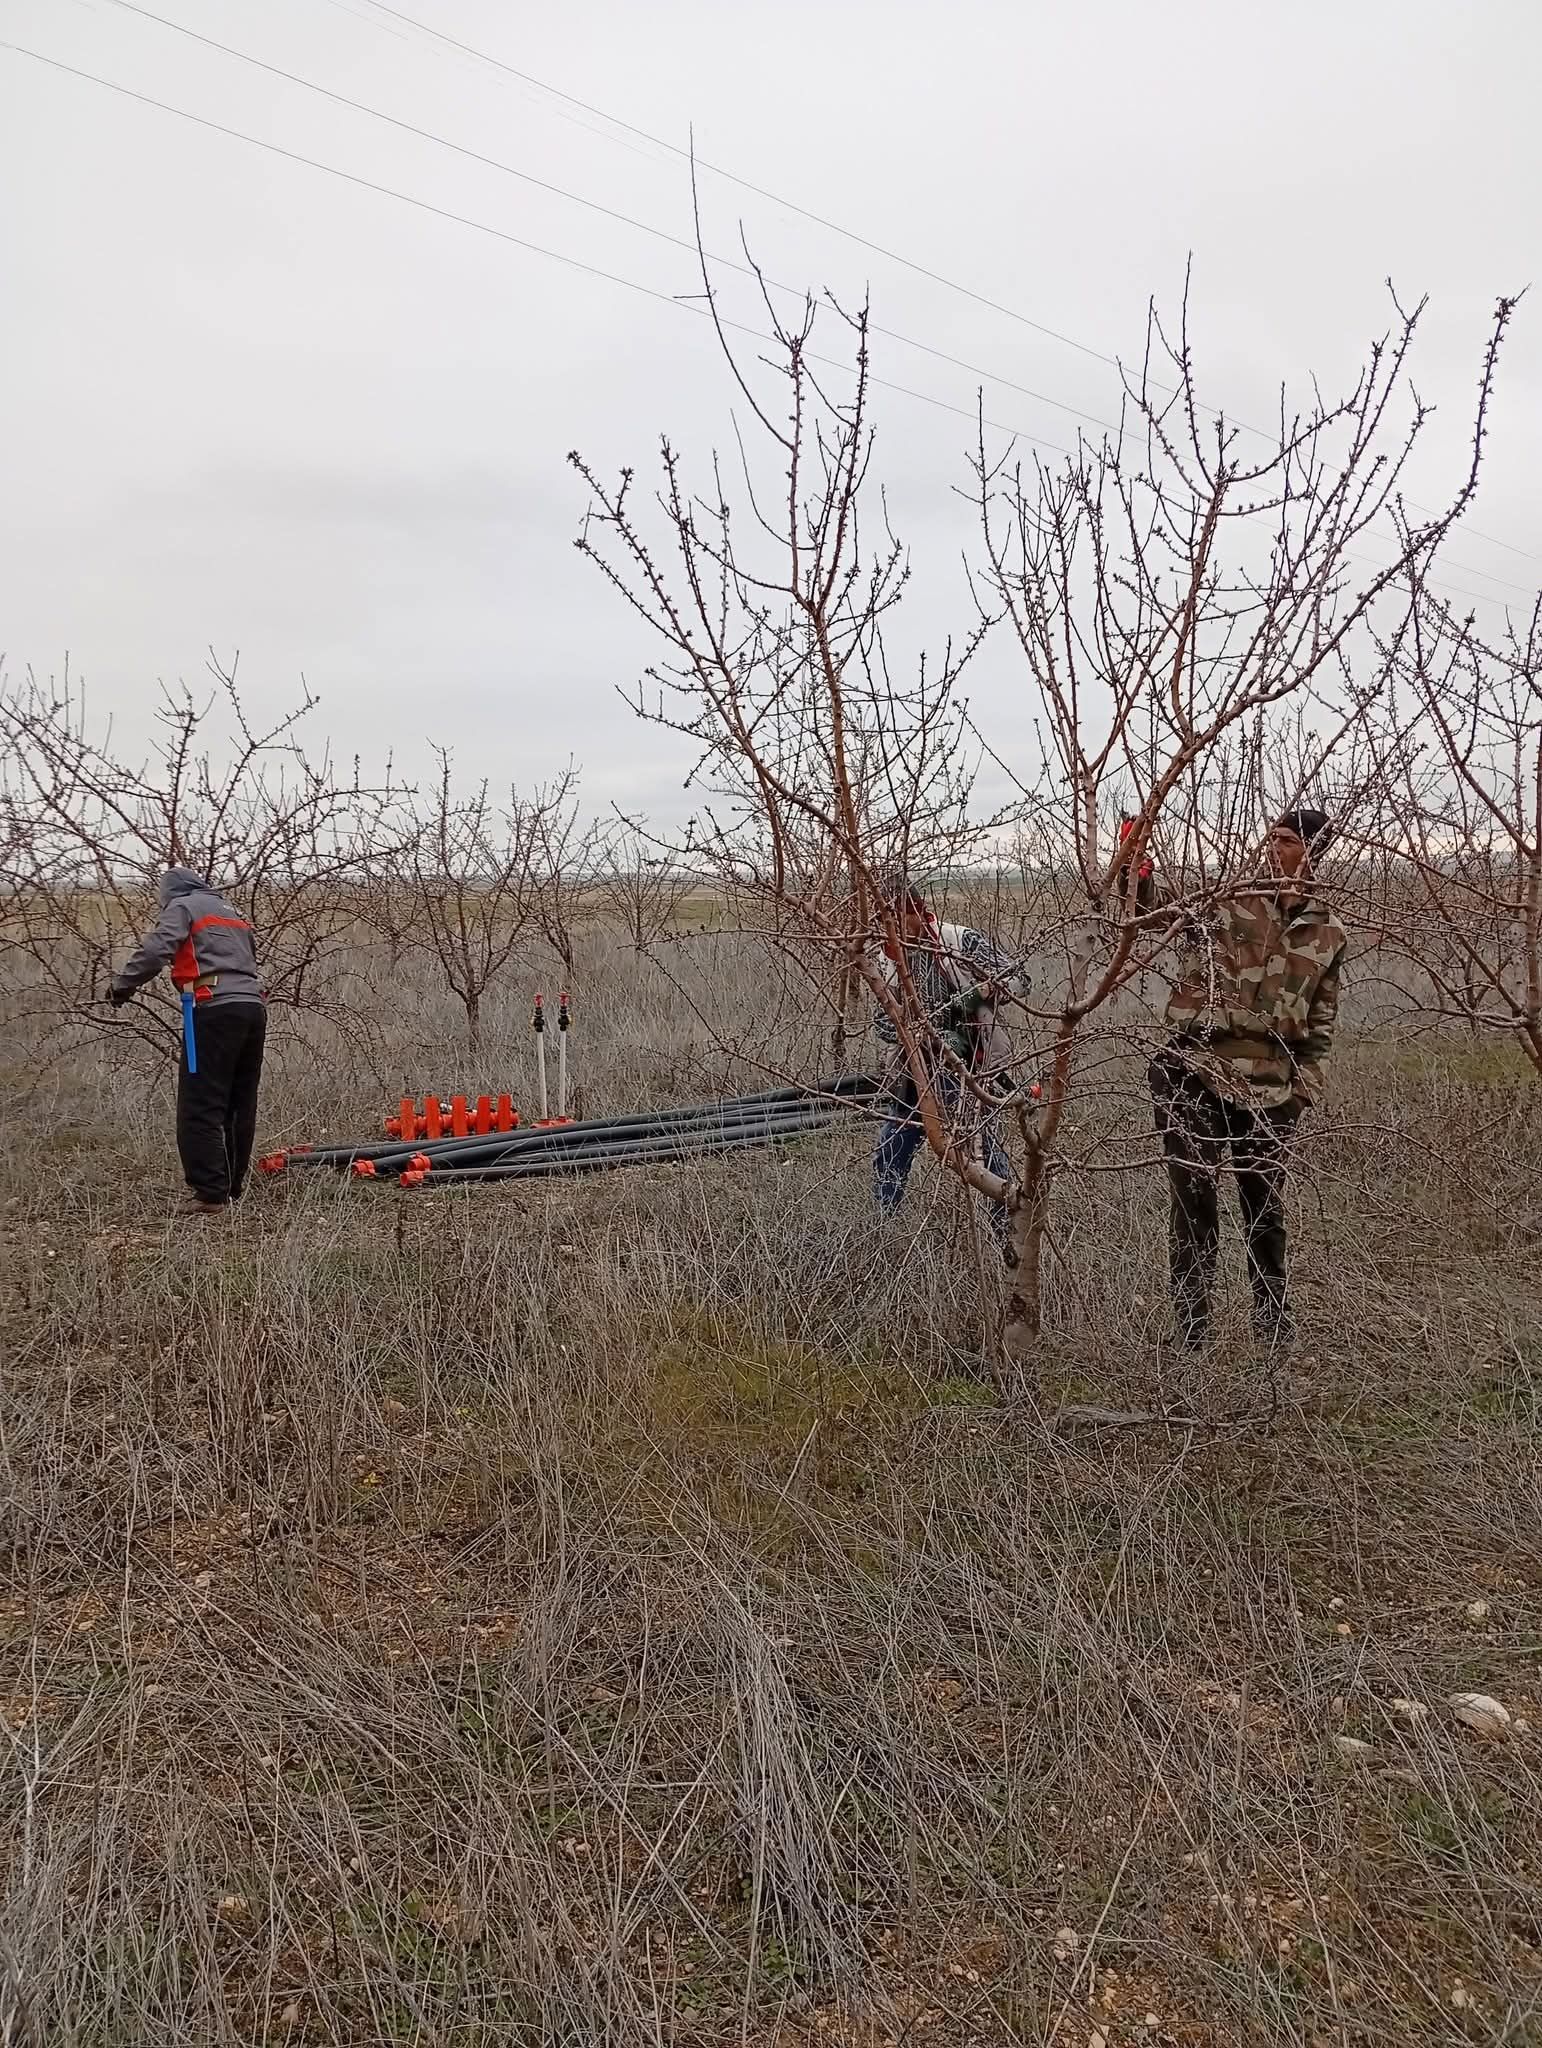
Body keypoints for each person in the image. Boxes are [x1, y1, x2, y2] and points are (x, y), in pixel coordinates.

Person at [1146, 810, 1346, 1351]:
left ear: (1313, 852)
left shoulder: (1328, 931)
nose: (1273, 849)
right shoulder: (1227, 899)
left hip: (1271, 1088)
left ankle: (1273, 1327)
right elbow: (1149, 911)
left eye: (1287, 841)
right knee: (1194, 1202)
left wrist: (1301, 1093)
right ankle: (1192, 1336)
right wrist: (1136, 868)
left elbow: (1321, 1022)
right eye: (1270, 839)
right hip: (1196, 1072)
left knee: (1264, 1209)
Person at [869, 875, 1027, 1245]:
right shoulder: (887, 960)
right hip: (916, 1071)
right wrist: (910, 1029)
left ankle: (1006, 1240)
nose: (890, 928)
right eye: (882, 920)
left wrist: (974, 998)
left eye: (895, 918)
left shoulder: (959, 941)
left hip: (971, 1067)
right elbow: (881, 1023)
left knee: (986, 1154)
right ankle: (883, 1236)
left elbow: (1019, 980)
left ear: (916, 910)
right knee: (891, 1150)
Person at [109, 867, 267, 1214]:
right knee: (239, 1102)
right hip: (253, 1009)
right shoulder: (231, 911)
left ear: (170, 893)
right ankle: (231, 1186)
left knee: (200, 1103)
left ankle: (210, 1194)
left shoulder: (182, 907)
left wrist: (122, 985)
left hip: (212, 1010)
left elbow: (155, 951)